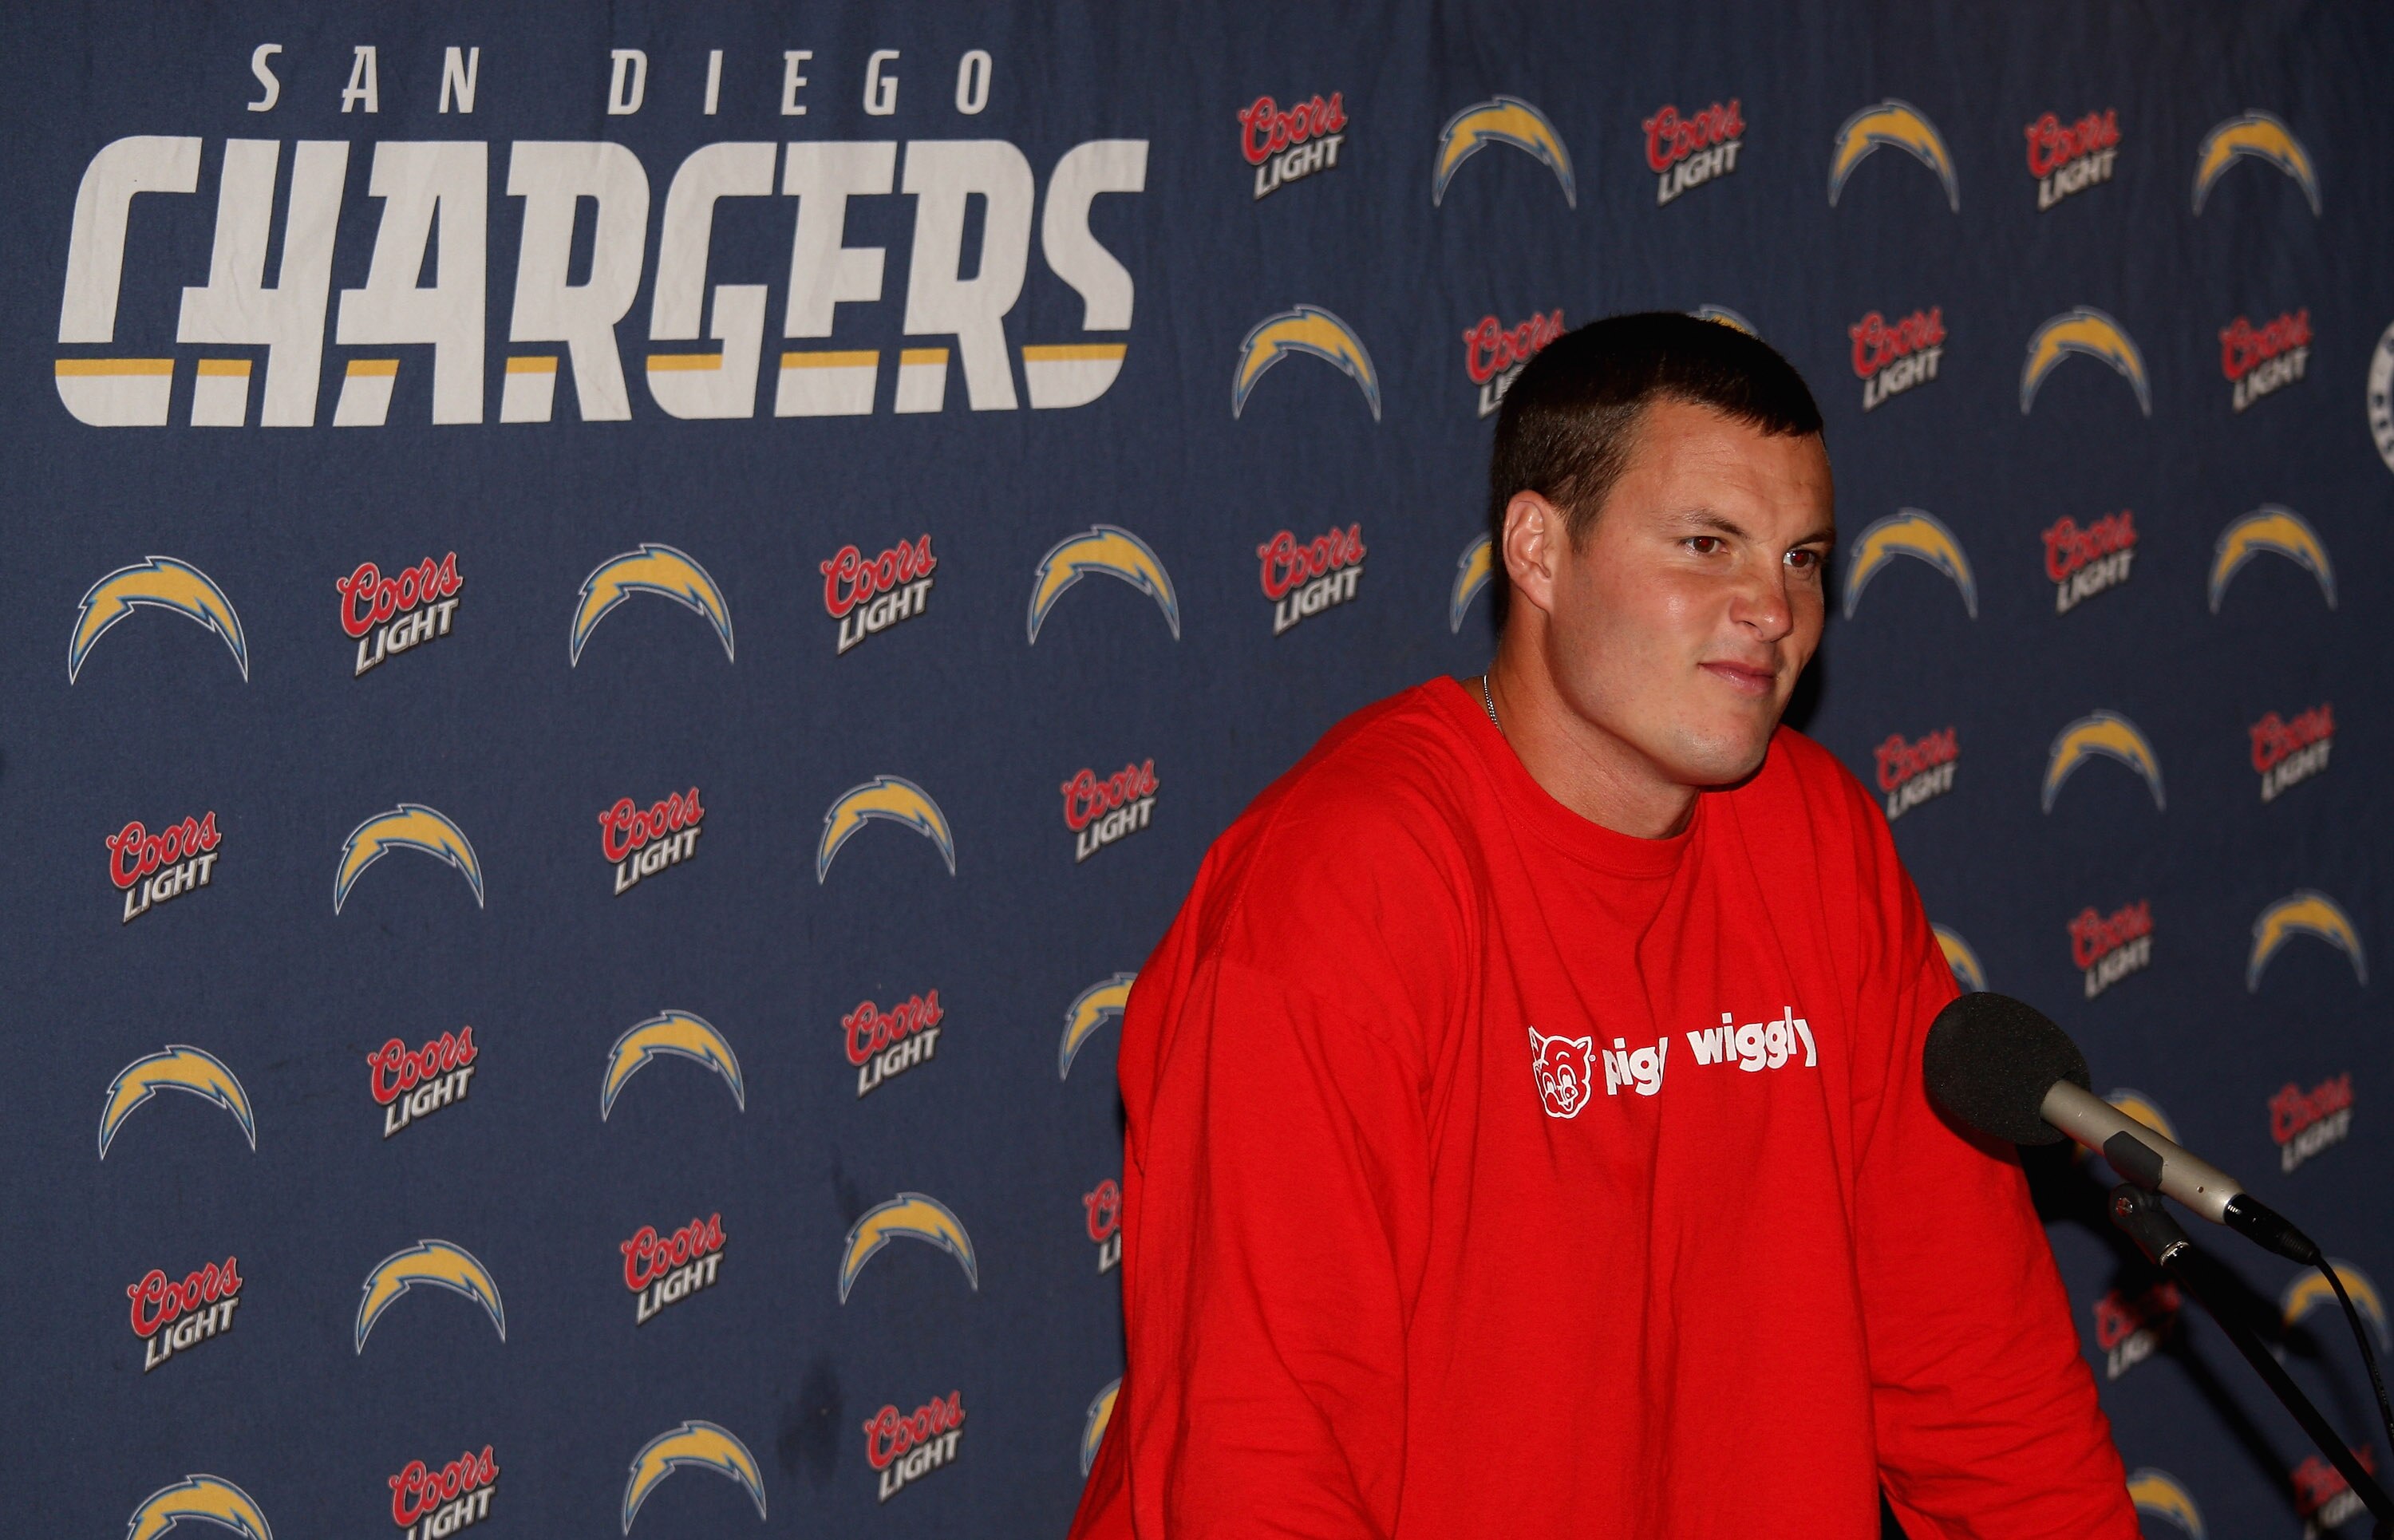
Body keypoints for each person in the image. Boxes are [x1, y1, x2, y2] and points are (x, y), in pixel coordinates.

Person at [1067, 314, 2137, 1538]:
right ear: (1538, 549)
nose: (1772, 608)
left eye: (1802, 558)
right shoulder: (1341, 888)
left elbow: (1979, 1370)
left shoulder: (1817, 839)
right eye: (1707, 544)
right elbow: (1262, 1457)